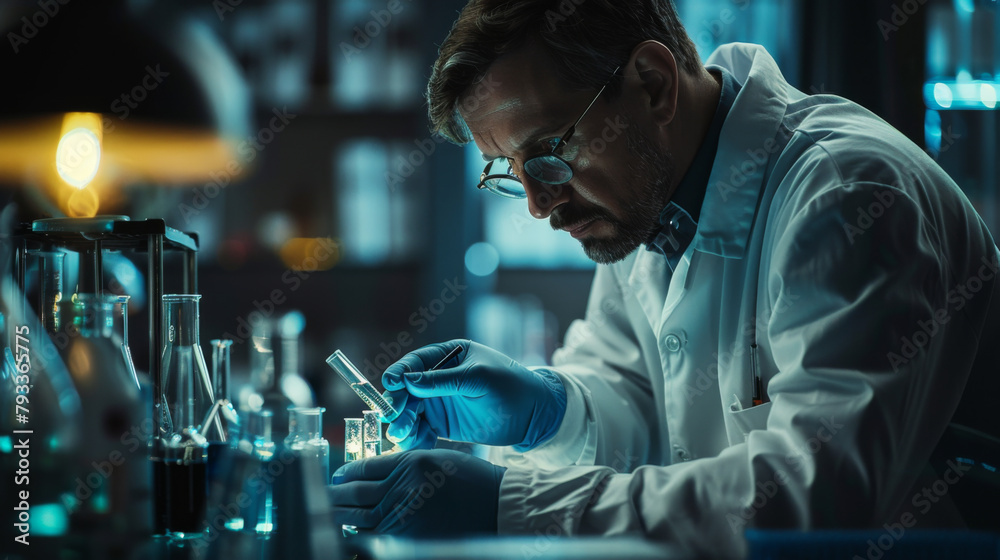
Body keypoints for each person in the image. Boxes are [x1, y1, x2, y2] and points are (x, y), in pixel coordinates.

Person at [328, 0, 1000, 555]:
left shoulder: (848, 196)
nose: (539, 204)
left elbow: (808, 500)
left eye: (548, 156)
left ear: (652, 83)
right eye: (510, 172)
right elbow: (646, 413)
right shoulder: (648, 205)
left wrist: (507, 502)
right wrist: (548, 410)